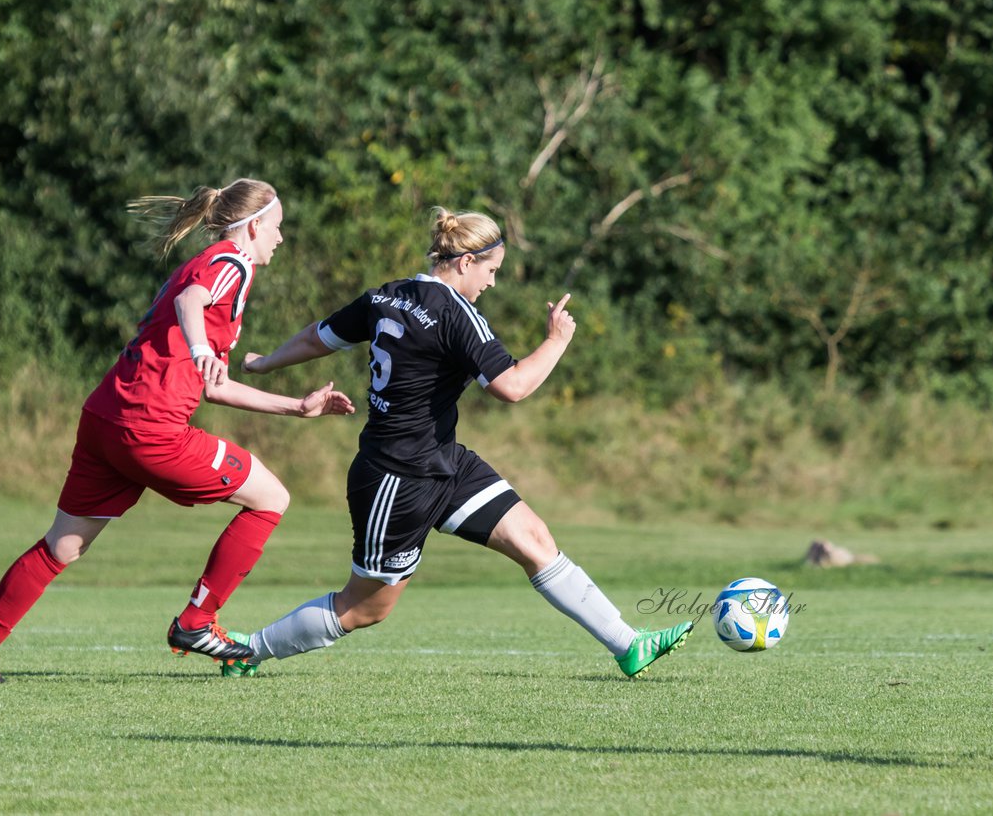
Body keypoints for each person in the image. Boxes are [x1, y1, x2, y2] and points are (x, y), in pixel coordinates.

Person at [224, 207, 693, 680]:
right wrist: (556, 340)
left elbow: (318, 337)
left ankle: (628, 645)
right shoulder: (457, 315)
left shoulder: (387, 295)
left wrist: (265, 363)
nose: (491, 283)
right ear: (466, 262)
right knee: (365, 608)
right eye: (491, 271)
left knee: (534, 540)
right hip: (396, 477)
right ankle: (248, 650)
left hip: (443, 461)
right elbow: (511, 387)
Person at [0, 178, 355, 684]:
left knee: (62, 547)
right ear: (251, 227)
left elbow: (217, 388)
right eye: (277, 227)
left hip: (106, 418)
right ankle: (196, 623)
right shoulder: (231, 262)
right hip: (150, 428)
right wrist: (202, 348)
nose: (281, 238)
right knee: (271, 499)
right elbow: (191, 304)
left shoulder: (209, 267)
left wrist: (297, 406)